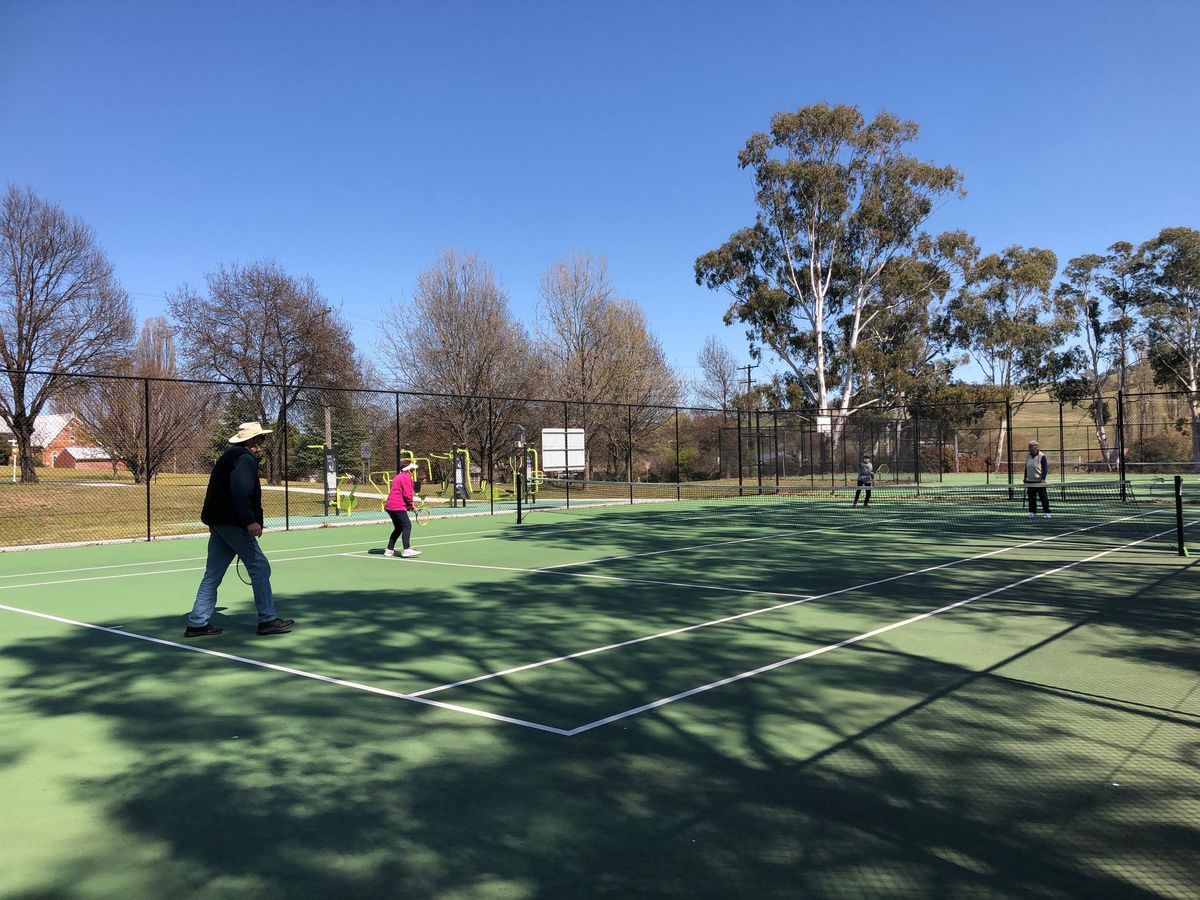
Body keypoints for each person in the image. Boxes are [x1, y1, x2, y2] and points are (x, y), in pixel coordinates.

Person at [184, 422, 294, 637]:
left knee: (213, 574)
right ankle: (268, 619)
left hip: (218, 523)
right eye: (260, 438)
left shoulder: (229, 456)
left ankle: (197, 623)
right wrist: (250, 521)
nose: (262, 443)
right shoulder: (244, 459)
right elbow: (240, 492)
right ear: (253, 441)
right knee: (259, 567)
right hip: (233, 523)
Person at [384, 461, 422, 558]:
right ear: (409, 470)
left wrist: (409, 506)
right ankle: (407, 549)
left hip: (390, 506)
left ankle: (389, 550)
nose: (414, 472)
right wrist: (411, 506)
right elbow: (407, 494)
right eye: (413, 470)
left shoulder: (397, 477)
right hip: (397, 506)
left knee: (399, 527)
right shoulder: (407, 478)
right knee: (407, 526)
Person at [1024, 440, 1051, 519]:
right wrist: (1025, 477)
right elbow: (1026, 467)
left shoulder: (1042, 456)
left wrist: (1043, 478)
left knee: (1043, 498)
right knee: (1031, 498)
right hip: (1030, 481)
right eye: (1029, 447)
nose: (1029, 448)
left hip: (1039, 482)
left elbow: (1045, 468)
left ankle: (1047, 512)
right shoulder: (1028, 456)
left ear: (1035, 447)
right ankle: (1032, 512)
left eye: (1030, 447)